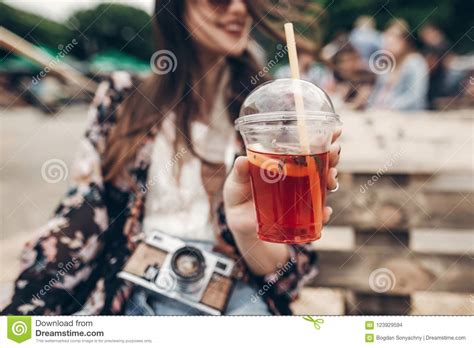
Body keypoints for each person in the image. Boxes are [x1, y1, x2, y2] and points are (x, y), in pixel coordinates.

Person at [1, 0, 341, 316]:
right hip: (134, 292)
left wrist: (250, 234)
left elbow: (287, 276)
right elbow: (85, 214)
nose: (238, 8)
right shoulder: (122, 97)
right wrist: (25, 310)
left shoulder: (269, 110)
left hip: (235, 296)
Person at [368, 19, 429, 111]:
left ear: (406, 41)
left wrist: (388, 107)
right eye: (387, 39)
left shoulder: (415, 62)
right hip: (383, 113)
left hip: (408, 115)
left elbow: (416, 97)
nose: (389, 43)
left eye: (395, 39)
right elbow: (377, 93)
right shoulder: (386, 64)